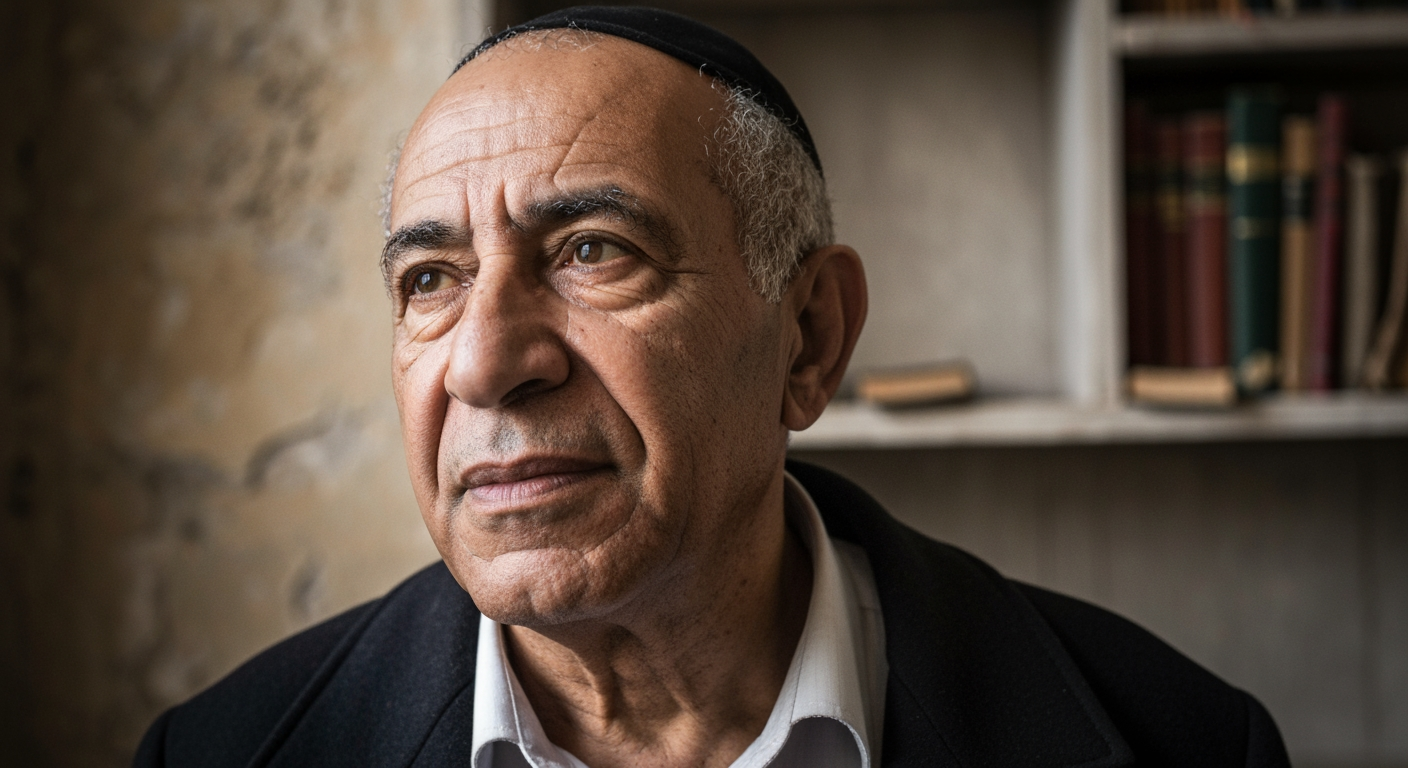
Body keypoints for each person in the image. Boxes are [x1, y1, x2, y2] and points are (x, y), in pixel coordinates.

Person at [134, 7, 1290, 767]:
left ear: (807, 339)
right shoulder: (221, 755)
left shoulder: (1185, 745)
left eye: (592, 251)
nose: (484, 364)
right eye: (429, 280)